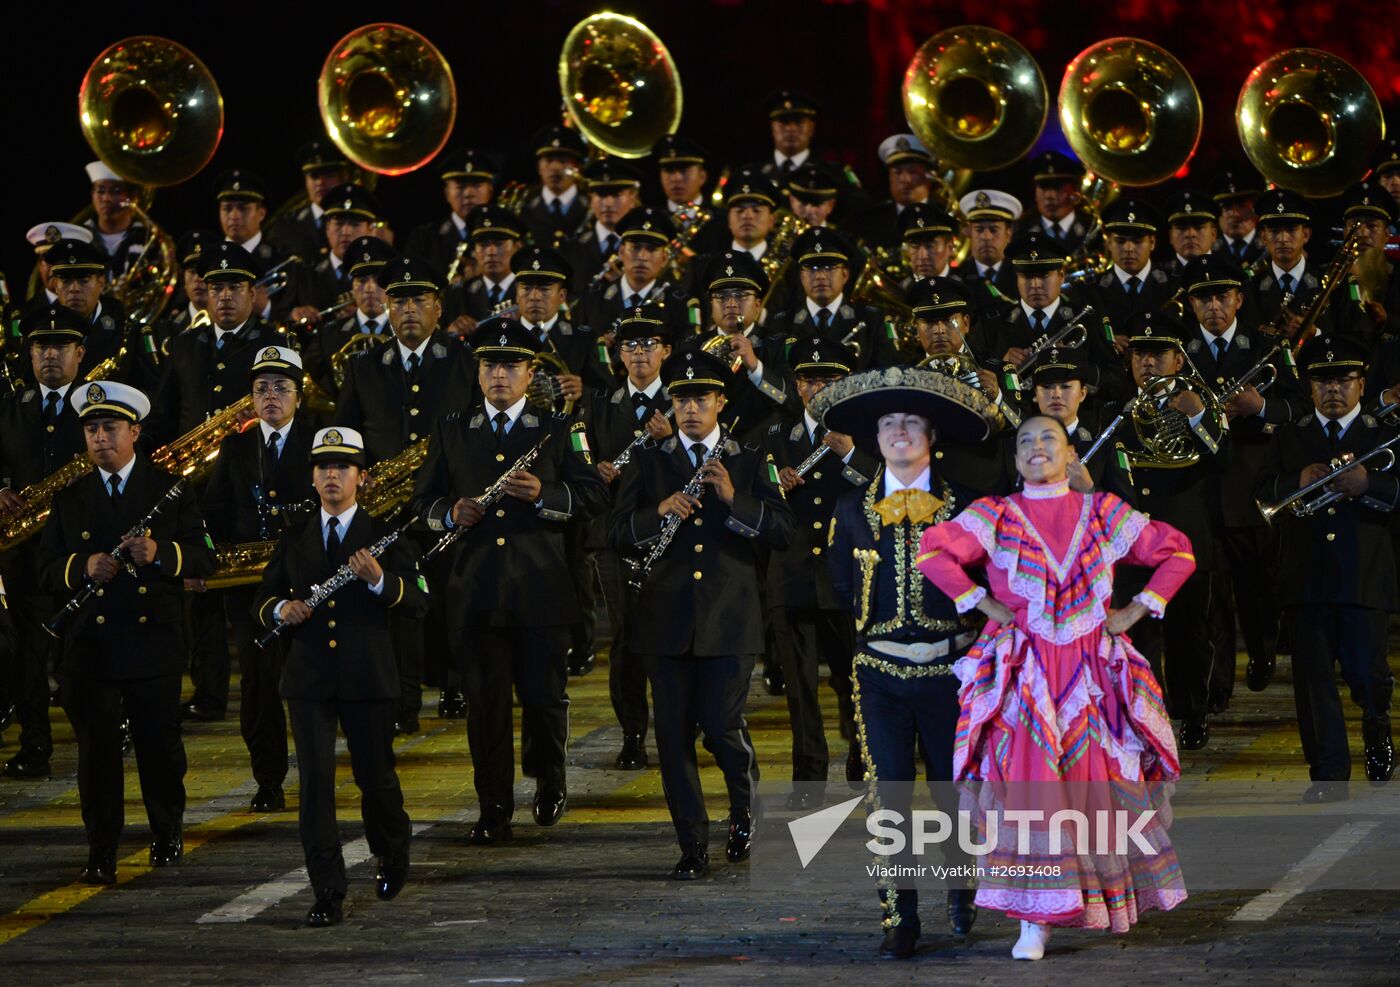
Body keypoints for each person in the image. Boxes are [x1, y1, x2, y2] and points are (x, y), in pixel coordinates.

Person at [917, 413, 1195, 959]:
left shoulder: (1103, 512)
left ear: (1071, 454)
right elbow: (933, 550)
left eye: (1049, 439)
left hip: (1092, 674)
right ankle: (1033, 919)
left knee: (1098, 788)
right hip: (1027, 675)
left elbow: (1178, 551)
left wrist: (1136, 610)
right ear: (1015, 459)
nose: (1036, 448)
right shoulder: (996, 516)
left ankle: (1105, 902)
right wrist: (982, 603)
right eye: (1025, 442)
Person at [820, 364, 1003, 956]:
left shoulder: (968, 507)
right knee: (887, 794)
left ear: (931, 434)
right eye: (889, 423)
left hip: (951, 672)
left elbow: (993, 584)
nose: (900, 432)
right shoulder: (851, 507)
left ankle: (961, 885)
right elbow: (841, 587)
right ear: (875, 438)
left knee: (953, 790)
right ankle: (899, 917)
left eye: (912, 422)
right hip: (878, 674)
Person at [411, 319, 607, 842]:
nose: (500, 374)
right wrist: (449, 513)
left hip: (542, 593)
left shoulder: (558, 429)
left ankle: (549, 780)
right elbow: (418, 504)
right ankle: (493, 807)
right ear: (478, 373)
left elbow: (592, 497)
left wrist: (544, 494)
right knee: (486, 708)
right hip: (475, 593)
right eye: (490, 365)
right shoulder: (451, 428)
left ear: (530, 372)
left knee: (544, 700)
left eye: (511, 365)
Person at [609, 348, 793, 879]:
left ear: (720, 402)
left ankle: (744, 812)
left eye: (701, 398)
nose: (691, 408)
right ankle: (692, 844)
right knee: (671, 740)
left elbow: (782, 532)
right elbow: (615, 534)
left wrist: (736, 499)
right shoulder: (647, 461)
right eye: (682, 398)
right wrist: (658, 511)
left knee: (719, 726)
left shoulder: (751, 459)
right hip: (663, 624)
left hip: (729, 622)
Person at [38, 380, 215, 883]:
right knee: (96, 758)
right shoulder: (70, 497)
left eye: (109, 428)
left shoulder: (169, 489)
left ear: (134, 431)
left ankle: (166, 831)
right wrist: (81, 565)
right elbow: (45, 567)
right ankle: (101, 849)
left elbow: (205, 556)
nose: (99, 438)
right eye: (91, 429)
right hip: (90, 648)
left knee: (159, 747)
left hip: (151, 643)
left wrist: (163, 556)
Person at [254, 425, 425, 926]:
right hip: (308, 679)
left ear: (361, 477)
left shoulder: (386, 533)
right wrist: (281, 608)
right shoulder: (294, 537)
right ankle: (326, 887)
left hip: (367, 677)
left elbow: (418, 601)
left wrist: (379, 582)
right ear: (312, 477)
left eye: (343, 467)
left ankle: (392, 851)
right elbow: (260, 599)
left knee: (376, 778)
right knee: (315, 787)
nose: (332, 474)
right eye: (324, 466)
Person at [1258, 335, 1398, 796]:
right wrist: (1295, 480)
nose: (1332, 389)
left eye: (1343, 380)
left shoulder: (1383, 434)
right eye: (1322, 381)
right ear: (1310, 387)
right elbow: (1260, 490)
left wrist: (1369, 483)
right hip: (1307, 576)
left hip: (1364, 575)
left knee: (1367, 674)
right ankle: (1328, 772)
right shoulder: (1292, 434)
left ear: (1361, 384)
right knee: (1314, 682)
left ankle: (1376, 725)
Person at [200, 346, 317, 812]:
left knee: (310, 683)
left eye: (280, 387)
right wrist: (212, 559)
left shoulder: (321, 440)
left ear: (298, 395)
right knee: (258, 685)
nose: (270, 396)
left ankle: (315, 777)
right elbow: (212, 510)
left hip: (310, 582)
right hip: (252, 589)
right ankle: (268, 780)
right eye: (261, 388)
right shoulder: (235, 446)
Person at [763, 338, 877, 804]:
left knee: (854, 676)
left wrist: (850, 455)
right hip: (790, 577)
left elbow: (888, 491)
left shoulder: (866, 436)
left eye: (830, 380)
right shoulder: (774, 436)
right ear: (797, 386)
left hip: (846, 578)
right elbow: (753, 500)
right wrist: (775, 486)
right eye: (810, 380)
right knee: (800, 685)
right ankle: (808, 776)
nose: (819, 388)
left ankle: (859, 750)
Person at [580, 307, 676, 769]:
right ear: (618, 354)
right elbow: (576, 460)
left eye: (649, 345)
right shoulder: (597, 404)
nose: (640, 354)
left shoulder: (684, 400)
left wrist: (670, 437)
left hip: (672, 533)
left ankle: (679, 725)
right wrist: (592, 469)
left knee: (676, 633)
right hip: (614, 535)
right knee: (626, 637)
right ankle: (633, 732)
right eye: (630, 346)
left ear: (666, 351)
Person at [0, 306, 91, 779]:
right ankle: (35, 742)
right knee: (28, 654)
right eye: (40, 346)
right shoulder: (11, 405)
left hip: (81, 548)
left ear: (79, 353)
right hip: (25, 552)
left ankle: (104, 729)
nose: (49, 355)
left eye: (59, 347)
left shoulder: (97, 408)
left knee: (87, 646)